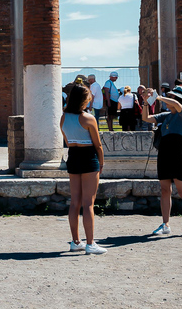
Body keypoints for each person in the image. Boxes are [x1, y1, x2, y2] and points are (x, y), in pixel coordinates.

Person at [142, 86, 182, 238]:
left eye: (172, 97)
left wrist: (159, 97)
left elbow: (178, 106)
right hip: (164, 153)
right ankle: (165, 224)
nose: (168, 99)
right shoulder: (165, 115)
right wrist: (146, 103)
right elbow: (146, 118)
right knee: (165, 190)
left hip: (178, 154)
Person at [61, 84, 107, 255]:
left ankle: (75, 242)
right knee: (88, 204)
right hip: (88, 157)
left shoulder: (63, 117)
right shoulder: (88, 118)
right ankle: (90, 243)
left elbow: (66, 139)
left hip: (73, 156)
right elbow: (98, 145)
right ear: (83, 99)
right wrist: (101, 164)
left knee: (75, 202)